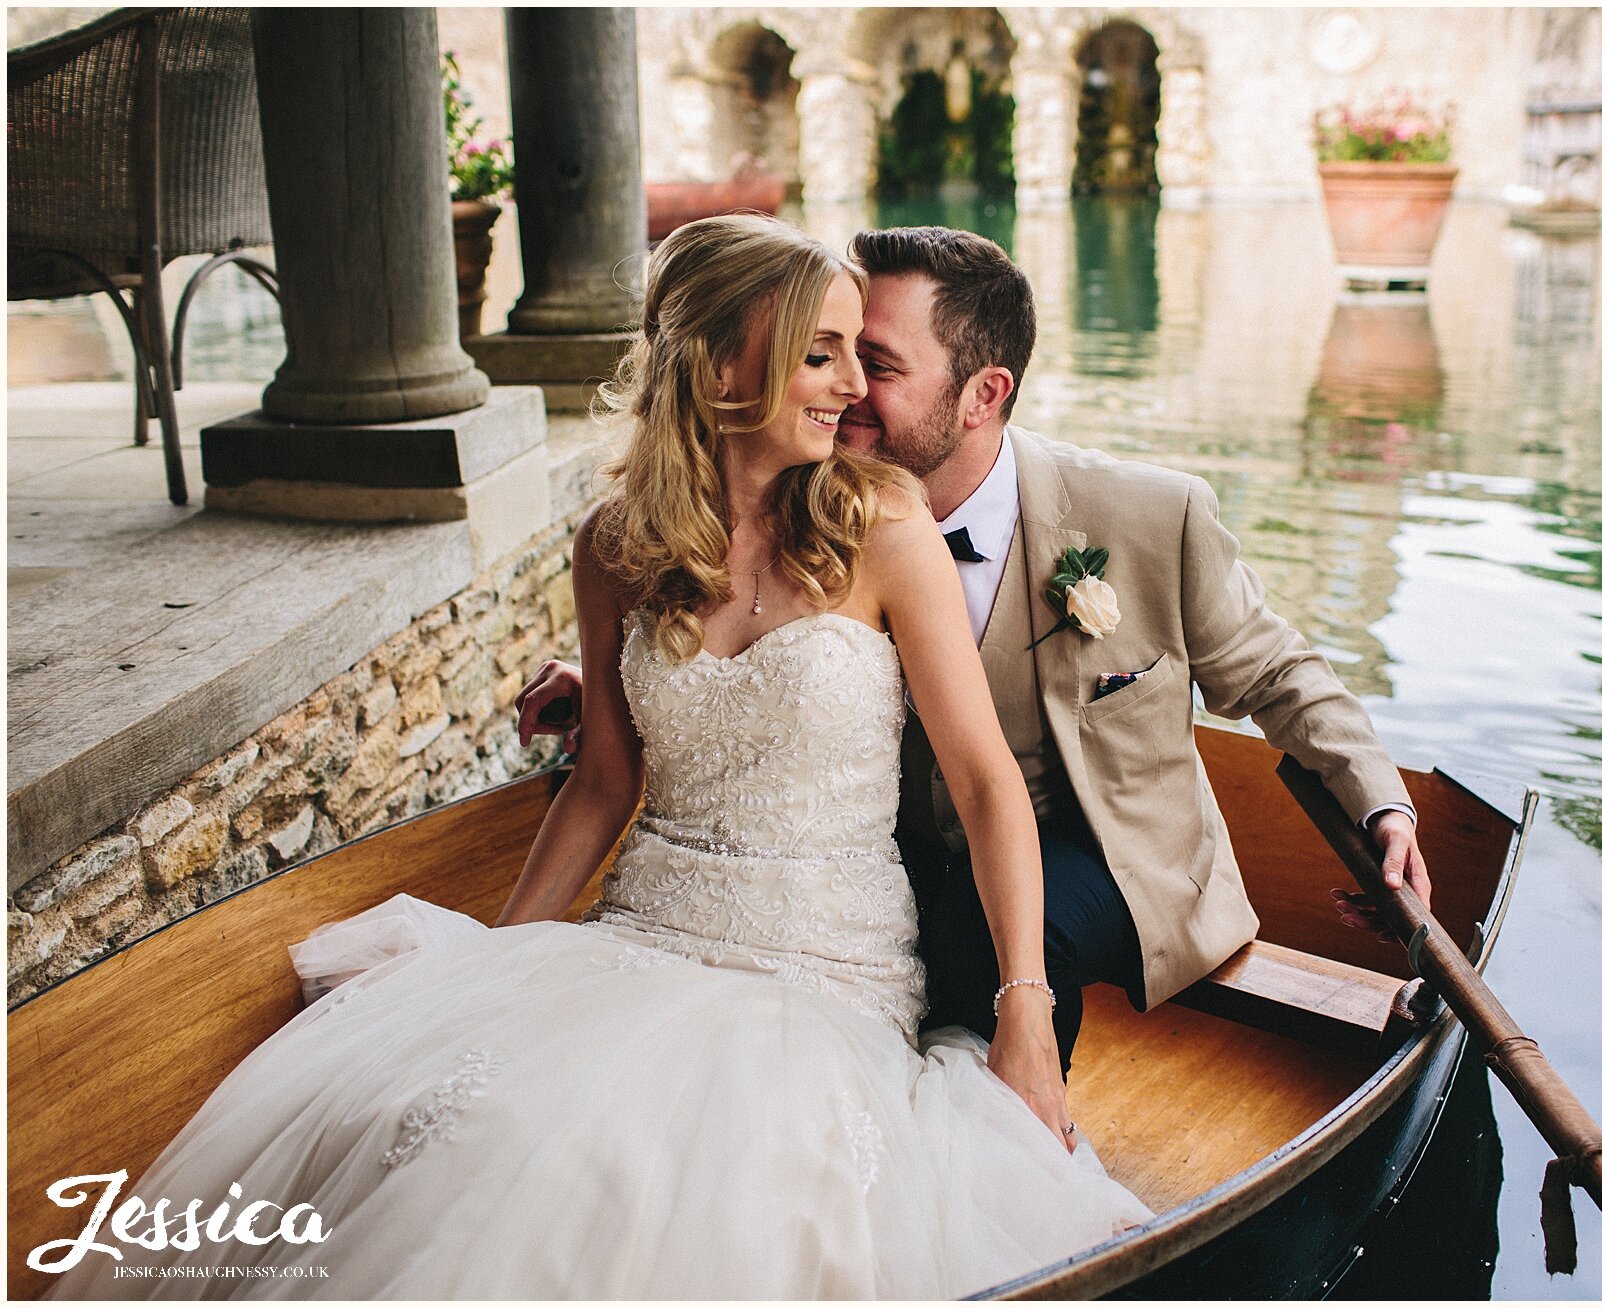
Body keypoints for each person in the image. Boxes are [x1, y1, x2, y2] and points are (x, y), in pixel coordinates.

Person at [46, 216, 1149, 1301]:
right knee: (468, 1139)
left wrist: (1022, 1012)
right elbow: (604, 784)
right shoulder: (617, 544)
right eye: (819, 355)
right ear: (723, 365)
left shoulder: (884, 527)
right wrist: (494, 961)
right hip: (644, 929)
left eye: (858, 357)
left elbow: (987, 785)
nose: (849, 388)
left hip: (824, 965)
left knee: (719, 1190)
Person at [519, 225, 1431, 1080]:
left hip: (1104, 841)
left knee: (972, 942)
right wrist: (637, 687)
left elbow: (1275, 673)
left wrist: (1380, 806)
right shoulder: (798, 505)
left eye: (875, 364)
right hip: (880, 846)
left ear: (983, 393)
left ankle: (1025, 1104)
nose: (848, 388)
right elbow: (758, 655)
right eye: (827, 351)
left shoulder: (1150, 515)